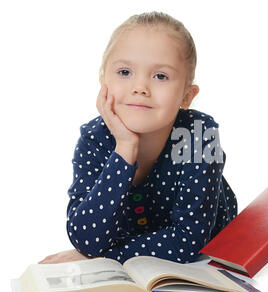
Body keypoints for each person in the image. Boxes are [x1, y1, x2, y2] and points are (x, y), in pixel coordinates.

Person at [39, 12, 237, 265]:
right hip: (139, 250)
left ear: (187, 96)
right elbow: (86, 240)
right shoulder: (94, 140)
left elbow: (188, 240)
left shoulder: (198, 135)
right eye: (124, 72)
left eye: (160, 76)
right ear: (103, 84)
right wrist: (125, 147)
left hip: (211, 253)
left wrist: (103, 258)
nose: (140, 87)